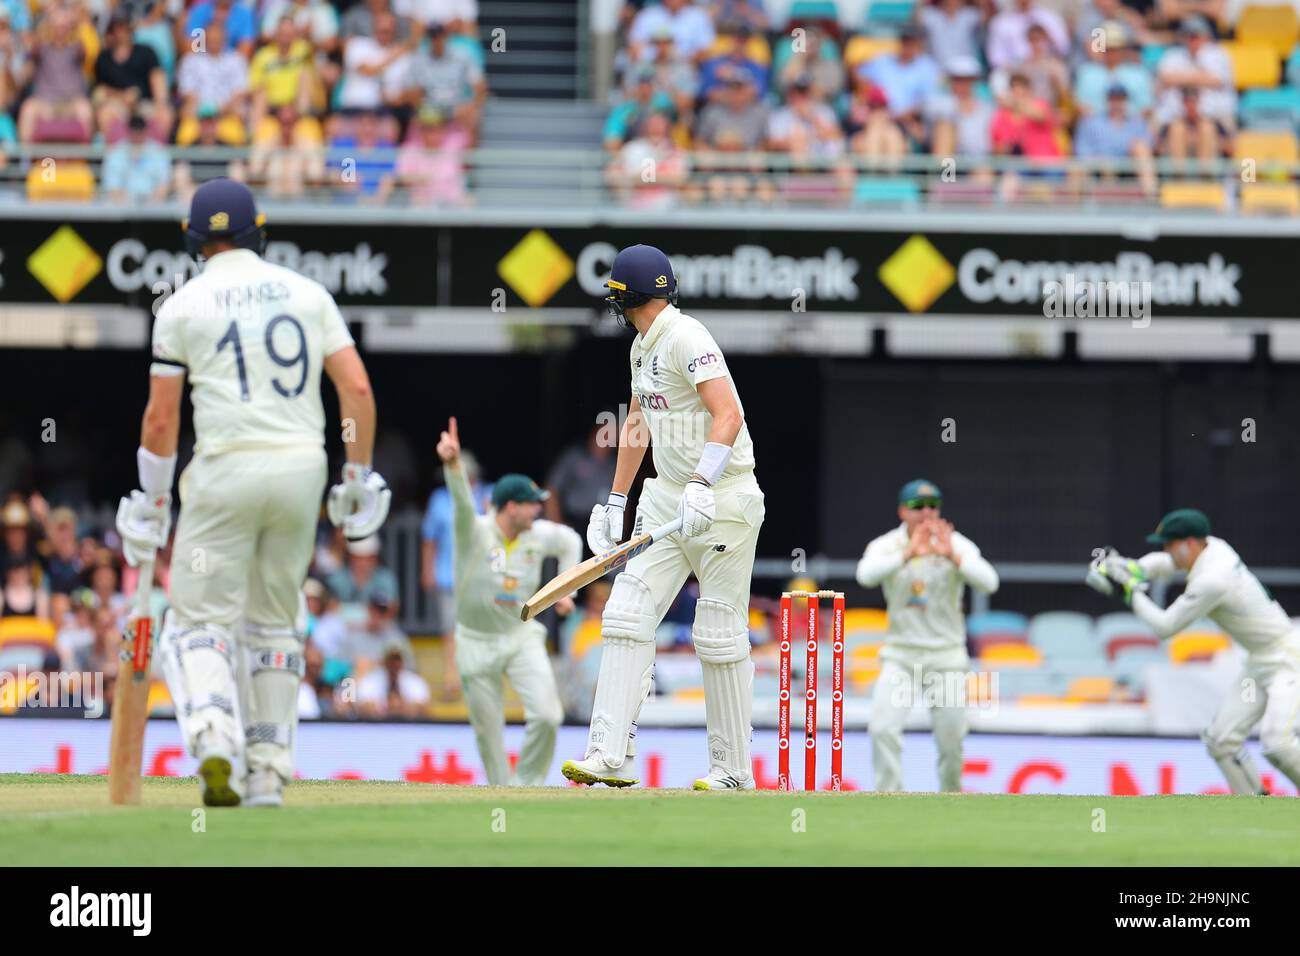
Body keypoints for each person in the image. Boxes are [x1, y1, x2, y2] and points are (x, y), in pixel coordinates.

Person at [114, 179, 390, 808]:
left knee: (198, 620)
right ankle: (266, 768)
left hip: (223, 473)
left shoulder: (180, 306)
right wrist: (358, 477)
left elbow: (161, 422)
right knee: (275, 622)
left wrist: (152, 498)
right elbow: (358, 392)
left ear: (194, 239)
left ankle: (214, 732)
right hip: (300, 472)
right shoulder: (308, 292)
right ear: (256, 232)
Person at [562, 244, 766, 790]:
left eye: (618, 296)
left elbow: (729, 415)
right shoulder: (640, 347)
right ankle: (608, 754)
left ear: (631, 296)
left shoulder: (687, 337)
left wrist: (702, 481)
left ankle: (732, 770)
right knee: (626, 614)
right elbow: (636, 426)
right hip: (666, 497)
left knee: (718, 633)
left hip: (723, 498)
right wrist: (616, 499)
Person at [1088, 509, 1300, 795]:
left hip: (1289, 658)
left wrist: (1130, 591)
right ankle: (1256, 808)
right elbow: (1164, 563)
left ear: (1189, 543)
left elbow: (1165, 627)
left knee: (1278, 743)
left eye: (1169, 544)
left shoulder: (1213, 579)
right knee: (1221, 741)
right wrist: (1132, 567)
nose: (1166, 551)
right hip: (1260, 660)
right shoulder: (1213, 546)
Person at [435, 417, 580, 786]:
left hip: (520, 636)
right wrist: (452, 466)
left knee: (548, 716)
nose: (538, 511)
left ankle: (527, 785)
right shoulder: (475, 533)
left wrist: (565, 590)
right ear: (510, 507)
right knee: (489, 731)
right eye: (532, 505)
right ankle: (503, 792)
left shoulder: (537, 534)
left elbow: (570, 542)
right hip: (475, 640)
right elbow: (462, 506)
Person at [855, 480, 999, 792]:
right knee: (882, 728)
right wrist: (907, 554)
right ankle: (888, 798)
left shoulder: (955, 543)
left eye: (933, 505)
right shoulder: (888, 545)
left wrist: (954, 558)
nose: (926, 512)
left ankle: (950, 798)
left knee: (950, 740)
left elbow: (990, 583)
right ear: (902, 511)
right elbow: (864, 576)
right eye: (918, 506)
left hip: (946, 656)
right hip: (901, 656)